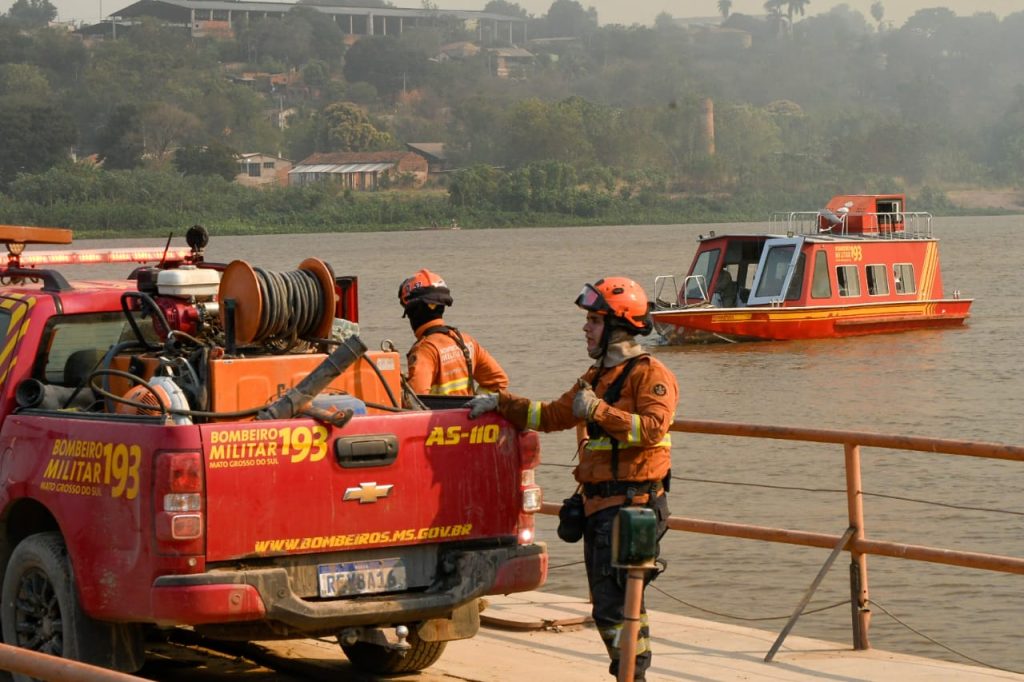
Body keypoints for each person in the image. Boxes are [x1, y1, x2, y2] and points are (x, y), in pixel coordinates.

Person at [467, 277, 678, 681]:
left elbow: (651, 429)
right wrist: (500, 403)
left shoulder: (650, 375)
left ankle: (632, 674)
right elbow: (551, 416)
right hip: (601, 508)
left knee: (617, 605)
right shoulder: (595, 378)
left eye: (594, 321)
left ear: (618, 327)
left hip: (633, 507)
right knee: (611, 605)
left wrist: (599, 412)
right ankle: (630, 672)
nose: (585, 328)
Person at [398, 268, 508, 399]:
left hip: (438, 419)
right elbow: (498, 381)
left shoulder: (424, 351)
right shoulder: (467, 342)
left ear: (412, 312)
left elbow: (415, 401)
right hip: (466, 418)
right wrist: (473, 404)